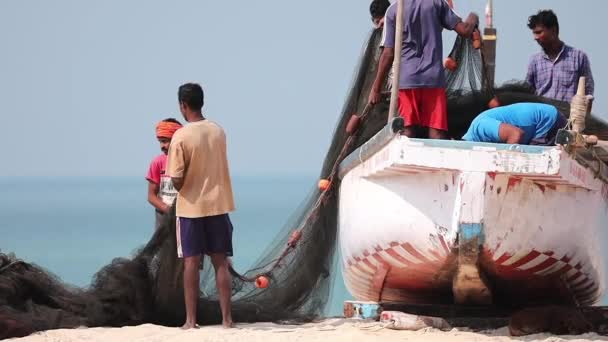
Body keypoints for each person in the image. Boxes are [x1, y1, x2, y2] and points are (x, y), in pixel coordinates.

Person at [167, 83, 236, 329]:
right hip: (218, 204)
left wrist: (180, 184)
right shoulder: (218, 131)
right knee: (221, 262)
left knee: (191, 263)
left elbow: (175, 178)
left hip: (191, 208)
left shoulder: (181, 136)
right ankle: (227, 320)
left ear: (183, 106)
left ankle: (190, 321)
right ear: (202, 102)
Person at [368, 0, 479, 139]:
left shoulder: (394, 10)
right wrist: (474, 17)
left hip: (407, 80)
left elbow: (388, 54)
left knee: (407, 129)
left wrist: (376, 88)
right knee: (437, 131)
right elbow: (465, 31)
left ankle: (407, 160)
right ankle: (438, 160)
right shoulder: (436, 3)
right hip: (433, 78)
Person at [526, 10, 594, 103]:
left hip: (569, 116)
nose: (535, 37)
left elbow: (588, 91)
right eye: (534, 33)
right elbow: (527, 95)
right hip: (543, 117)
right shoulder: (534, 61)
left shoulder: (578, 57)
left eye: (539, 32)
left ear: (553, 30)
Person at [462, 102, 568, 145]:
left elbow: (516, 134)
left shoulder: (479, 128)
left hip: (546, 121)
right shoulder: (480, 133)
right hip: (543, 120)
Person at [146, 118, 182, 230]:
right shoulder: (157, 163)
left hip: (184, 217)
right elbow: (151, 196)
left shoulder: (187, 162)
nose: (162, 146)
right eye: (161, 141)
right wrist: (168, 210)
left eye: (166, 141)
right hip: (163, 220)